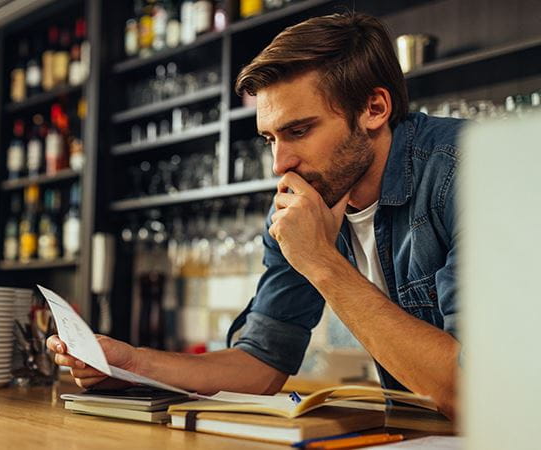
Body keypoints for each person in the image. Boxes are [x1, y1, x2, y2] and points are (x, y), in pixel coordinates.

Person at [48, 12, 462, 420]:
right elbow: (261, 362)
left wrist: (320, 261)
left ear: (374, 108)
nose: (280, 164)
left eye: (299, 131)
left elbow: (475, 389)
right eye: (270, 138)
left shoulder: (469, 173)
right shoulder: (301, 199)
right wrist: (131, 365)